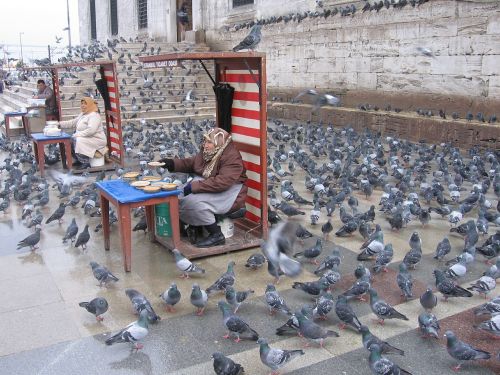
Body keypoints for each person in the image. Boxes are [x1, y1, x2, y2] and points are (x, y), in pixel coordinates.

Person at [159, 127, 248, 248]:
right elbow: (192, 163)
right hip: (211, 184)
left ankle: (216, 234)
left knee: (194, 202)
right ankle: (193, 226)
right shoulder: (209, 151)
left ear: (219, 142)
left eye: (209, 142)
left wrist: (194, 187)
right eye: (205, 141)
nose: (205, 145)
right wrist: (172, 163)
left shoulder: (232, 157)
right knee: (178, 194)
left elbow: (222, 182)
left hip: (231, 192)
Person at [58, 97, 107, 170]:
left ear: (90, 105)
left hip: (97, 139)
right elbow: (73, 122)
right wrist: (59, 124)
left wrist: (78, 135)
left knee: (78, 140)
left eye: (85, 104)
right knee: (70, 140)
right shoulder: (83, 114)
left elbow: (91, 130)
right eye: (82, 104)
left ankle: (85, 162)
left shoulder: (94, 115)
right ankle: (79, 160)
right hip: (87, 137)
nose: (83, 105)